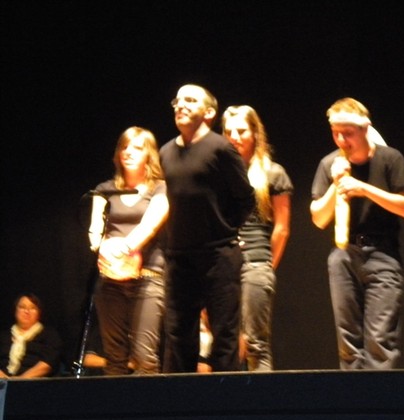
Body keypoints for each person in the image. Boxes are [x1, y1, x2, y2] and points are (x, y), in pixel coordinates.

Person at [310, 97, 404, 370]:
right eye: (336, 133)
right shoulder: (329, 163)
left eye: (348, 133)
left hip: (382, 255)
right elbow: (319, 218)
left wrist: (363, 188)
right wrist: (336, 184)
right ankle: (353, 396)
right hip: (343, 255)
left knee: (380, 342)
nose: (341, 140)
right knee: (348, 344)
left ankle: (379, 397)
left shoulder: (390, 158)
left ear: (365, 128)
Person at [160, 84, 256, 373]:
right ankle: (180, 398)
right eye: (177, 100)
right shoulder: (166, 152)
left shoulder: (220, 148)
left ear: (209, 112)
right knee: (179, 336)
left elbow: (245, 198)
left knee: (224, 336)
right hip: (179, 258)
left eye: (190, 100)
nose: (181, 105)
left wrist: (225, 232)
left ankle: (227, 399)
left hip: (218, 256)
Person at [88, 126, 168, 375]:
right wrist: (102, 247)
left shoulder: (160, 188)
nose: (129, 152)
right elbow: (95, 230)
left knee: (145, 357)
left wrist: (124, 248)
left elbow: (150, 225)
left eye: (137, 147)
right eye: (124, 147)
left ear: (149, 154)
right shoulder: (104, 189)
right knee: (114, 358)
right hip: (111, 280)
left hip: (148, 278)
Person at [221, 105, 293, 371]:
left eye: (241, 131)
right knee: (225, 344)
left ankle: (262, 396)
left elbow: (282, 229)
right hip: (223, 267)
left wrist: (266, 267)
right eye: (229, 131)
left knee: (255, 344)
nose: (234, 137)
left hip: (256, 263)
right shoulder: (218, 173)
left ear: (255, 134)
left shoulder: (272, 173)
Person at [0, 293, 62, 378]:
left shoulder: (49, 335)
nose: (27, 311)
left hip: (35, 382)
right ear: (15, 311)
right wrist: (4, 379)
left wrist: (21, 380)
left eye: (33, 308)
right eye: (22, 307)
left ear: (39, 313)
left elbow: (48, 364)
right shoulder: (4, 336)